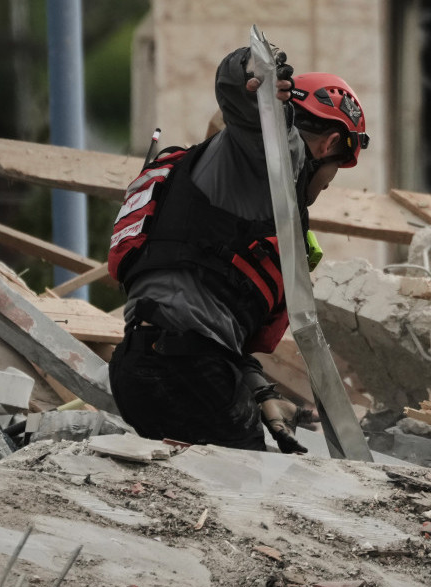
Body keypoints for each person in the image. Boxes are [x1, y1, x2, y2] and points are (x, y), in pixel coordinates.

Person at [107, 45, 370, 454]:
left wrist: (259, 390)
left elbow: (205, 310)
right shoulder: (272, 157)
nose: (331, 182)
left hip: (149, 365)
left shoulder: (240, 187)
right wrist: (254, 71)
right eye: (338, 167)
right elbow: (243, 98)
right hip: (184, 370)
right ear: (331, 143)